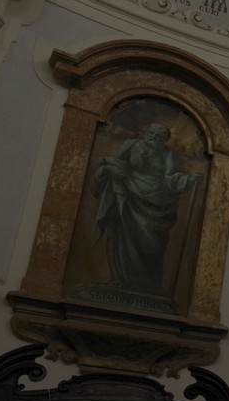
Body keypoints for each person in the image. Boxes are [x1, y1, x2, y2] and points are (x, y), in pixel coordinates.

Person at [87, 122, 203, 299]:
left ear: (164, 140)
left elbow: (172, 178)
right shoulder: (131, 145)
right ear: (146, 133)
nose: (154, 138)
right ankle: (120, 279)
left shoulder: (169, 155)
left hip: (155, 202)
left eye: (159, 136)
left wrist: (189, 180)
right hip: (127, 197)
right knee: (122, 236)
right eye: (152, 134)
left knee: (152, 244)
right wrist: (110, 169)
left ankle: (147, 285)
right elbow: (110, 161)